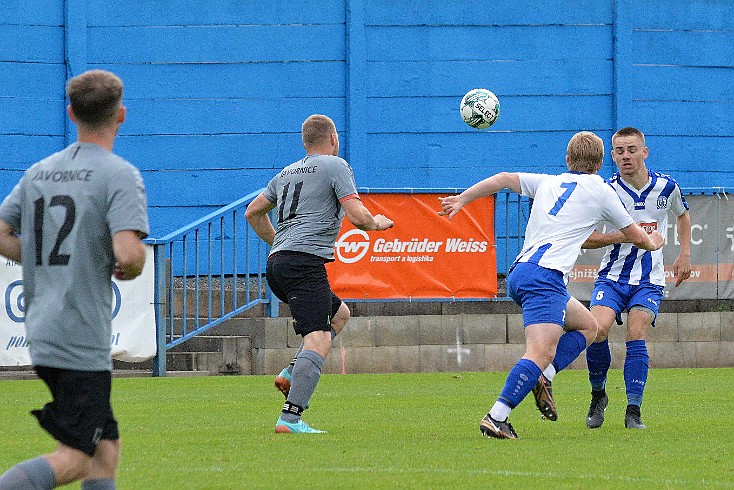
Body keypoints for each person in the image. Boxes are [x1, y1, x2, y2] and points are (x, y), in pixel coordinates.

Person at [438, 131, 664, 439]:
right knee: (540, 351)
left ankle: (544, 376)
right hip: (545, 277)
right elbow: (637, 235)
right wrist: (653, 242)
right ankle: (497, 416)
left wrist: (463, 199)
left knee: (589, 327)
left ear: (568, 160)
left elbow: (503, 177)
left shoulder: (547, 182)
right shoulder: (601, 190)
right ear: (599, 164)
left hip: (522, 273)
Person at [0, 69, 149, 489]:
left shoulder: (40, 172)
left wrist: (42, 261)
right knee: (77, 459)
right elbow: (127, 253)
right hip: (80, 332)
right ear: (121, 115)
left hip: (44, 325)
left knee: (105, 449)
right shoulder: (119, 174)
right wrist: (131, 263)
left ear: (70, 113)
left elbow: (1, 232)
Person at [245, 114, 393, 434]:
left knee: (339, 315)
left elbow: (253, 212)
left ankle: (291, 372)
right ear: (333, 139)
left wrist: (279, 242)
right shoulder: (335, 165)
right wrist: (376, 223)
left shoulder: (285, 173)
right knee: (319, 338)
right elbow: (358, 216)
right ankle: (291, 417)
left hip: (278, 263)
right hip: (302, 263)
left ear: (305, 142)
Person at [581, 127, 691, 429]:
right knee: (597, 330)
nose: (625, 156)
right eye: (619, 151)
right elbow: (585, 238)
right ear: (612, 156)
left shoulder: (667, 188)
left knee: (636, 332)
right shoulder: (605, 191)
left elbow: (683, 215)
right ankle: (598, 394)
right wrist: (627, 236)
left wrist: (684, 254)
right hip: (612, 277)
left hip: (649, 280)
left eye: (631, 149)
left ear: (645, 152)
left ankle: (633, 411)